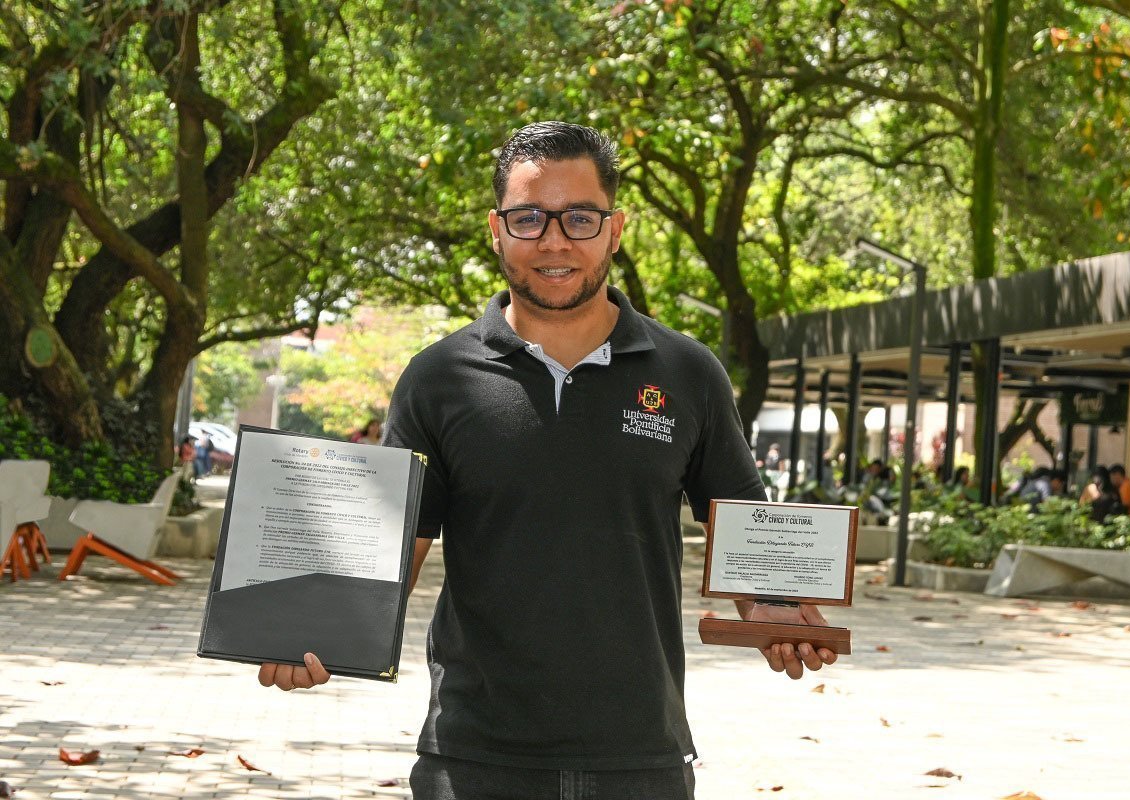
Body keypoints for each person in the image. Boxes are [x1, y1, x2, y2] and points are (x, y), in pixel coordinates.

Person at [255, 122, 836, 799]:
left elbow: (743, 530)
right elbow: (386, 556)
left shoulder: (689, 373)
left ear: (614, 230)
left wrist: (780, 616)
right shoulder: (439, 377)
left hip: (639, 758)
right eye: (529, 218)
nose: (555, 241)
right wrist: (307, 630)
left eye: (579, 218)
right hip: (474, 759)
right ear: (496, 229)